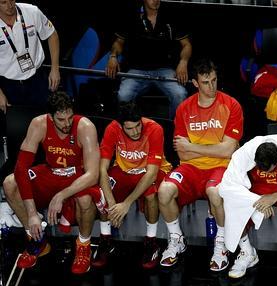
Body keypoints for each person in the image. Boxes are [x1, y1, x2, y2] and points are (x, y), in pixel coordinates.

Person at [2, 91, 101, 274]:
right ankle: (36, 239)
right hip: (51, 171)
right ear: (51, 116)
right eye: (61, 119)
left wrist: (61, 195)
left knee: (86, 199)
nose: (67, 123)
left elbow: (93, 175)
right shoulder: (39, 124)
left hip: (76, 176)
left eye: (70, 117)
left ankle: (84, 245)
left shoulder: (85, 127)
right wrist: (32, 213)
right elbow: (21, 168)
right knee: (10, 183)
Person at [158, 58, 243, 269]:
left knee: (216, 192)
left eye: (214, 80)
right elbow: (182, 155)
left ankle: (221, 243)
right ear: (195, 83)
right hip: (192, 168)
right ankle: (177, 239)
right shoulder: (184, 109)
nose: (212, 86)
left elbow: (229, 150)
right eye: (206, 82)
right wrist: (213, 148)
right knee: (164, 190)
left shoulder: (231, 105)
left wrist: (193, 147)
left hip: (222, 167)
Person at [218, 136, 277, 279]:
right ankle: (247, 252)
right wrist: (258, 199)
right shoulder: (245, 152)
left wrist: (274, 197)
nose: (266, 172)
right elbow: (227, 187)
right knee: (231, 201)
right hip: (256, 191)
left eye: (269, 169)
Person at [92, 101, 172, 270]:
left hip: (151, 170)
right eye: (130, 128)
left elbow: (151, 173)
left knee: (151, 194)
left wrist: (127, 204)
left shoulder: (154, 129)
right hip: (125, 169)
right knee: (103, 191)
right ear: (121, 126)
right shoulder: (112, 129)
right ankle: (105, 239)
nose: (135, 132)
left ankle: (151, 242)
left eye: (138, 126)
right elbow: (102, 169)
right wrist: (113, 205)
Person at [105, 0, 191, 120]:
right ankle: (129, 128)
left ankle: (176, 130)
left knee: (180, 94)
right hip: (136, 69)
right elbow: (118, 42)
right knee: (124, 95)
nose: (156, 0)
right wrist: (113, 56)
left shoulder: (171, 15)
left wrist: (183, 62)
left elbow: (186, 45)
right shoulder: (131, 15)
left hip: (164, 69)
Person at [0, 0, 60, 113]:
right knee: (15, 126)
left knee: (44, 118)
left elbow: (52, 34)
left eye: (11, 0)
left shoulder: (32, 11)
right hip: (8, 84)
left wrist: (55, 69)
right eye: (3, 2)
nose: (10, 5)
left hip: (37, 78)